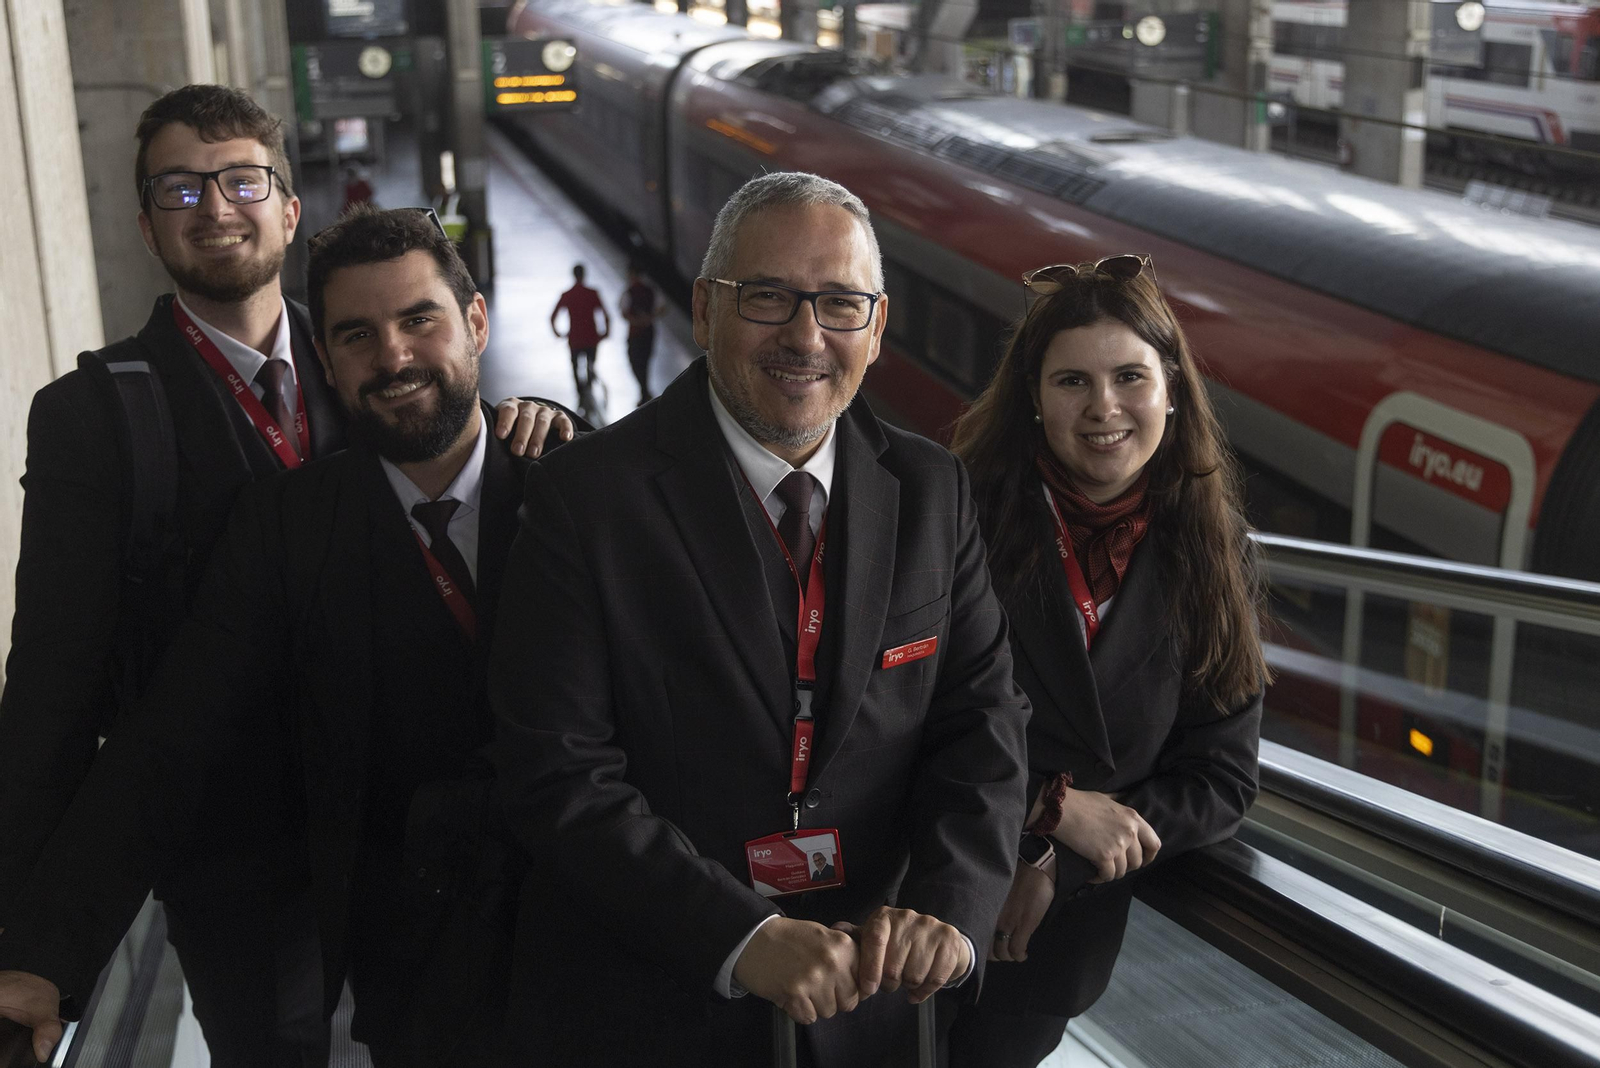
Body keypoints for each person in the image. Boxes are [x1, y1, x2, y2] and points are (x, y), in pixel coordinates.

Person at [0, 84, 568, 1068]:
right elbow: (65, 703)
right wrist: (34, 942)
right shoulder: (103, 416)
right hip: (238, 855)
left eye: (241, 181)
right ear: (144, 223)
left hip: (409, 840)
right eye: (180, 191)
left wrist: (531, 419)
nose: (215, 208)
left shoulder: (368, 347)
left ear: (289, 205)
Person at [491, 171, 1030, 1068]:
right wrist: (740, 938)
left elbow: (984, 717)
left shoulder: (933, 492)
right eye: (769, 297)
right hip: (657, 1006)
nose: (806, 336)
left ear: (878, 325)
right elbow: (557, 772)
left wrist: (951, 909)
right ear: (704, 309)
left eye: (839, 304)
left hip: (876, 1004)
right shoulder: (587, 500)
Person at [942, 254, 1265, 1067]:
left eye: (1130, 377)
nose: (1105, 409)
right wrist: (1043, 808)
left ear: (1172, 391)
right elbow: (887, 720)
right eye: (1072, 382)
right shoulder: (951, 519)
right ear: (1034, 399)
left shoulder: (1215, 554)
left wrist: (1068, 856)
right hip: (906, 907)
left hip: (1046, 957)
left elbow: (1219, 779)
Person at [550, 263, 609, 405]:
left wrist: (558, 333)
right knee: (591, 364)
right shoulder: (592, 293)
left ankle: (580, 393)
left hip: (575, 339)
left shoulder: (567, 295)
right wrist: (605, 332)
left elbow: (553, 317)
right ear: (584, 275)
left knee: (575, 367)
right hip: (591, 337)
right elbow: (605, 315)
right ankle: (588, 388)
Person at [621, 260, 663, 404]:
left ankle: (644, 393)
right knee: (645, 363)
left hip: (635, 334)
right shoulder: (651, 290)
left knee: (635, 362)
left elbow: (623, 311)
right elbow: (662, 307)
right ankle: (645, 392)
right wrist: (649, 318)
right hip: (649, 332)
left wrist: (637, 321)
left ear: (632, 273)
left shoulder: (630, 291)